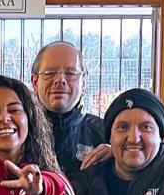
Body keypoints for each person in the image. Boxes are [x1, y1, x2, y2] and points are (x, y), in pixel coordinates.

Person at [30, 41, 109, 179]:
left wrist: (121, 158)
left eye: (71, 73)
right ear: (35, 83)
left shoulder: (106, 135)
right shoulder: (21, 133)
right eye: (49, 73)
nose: (60, 80)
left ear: (84, 83)